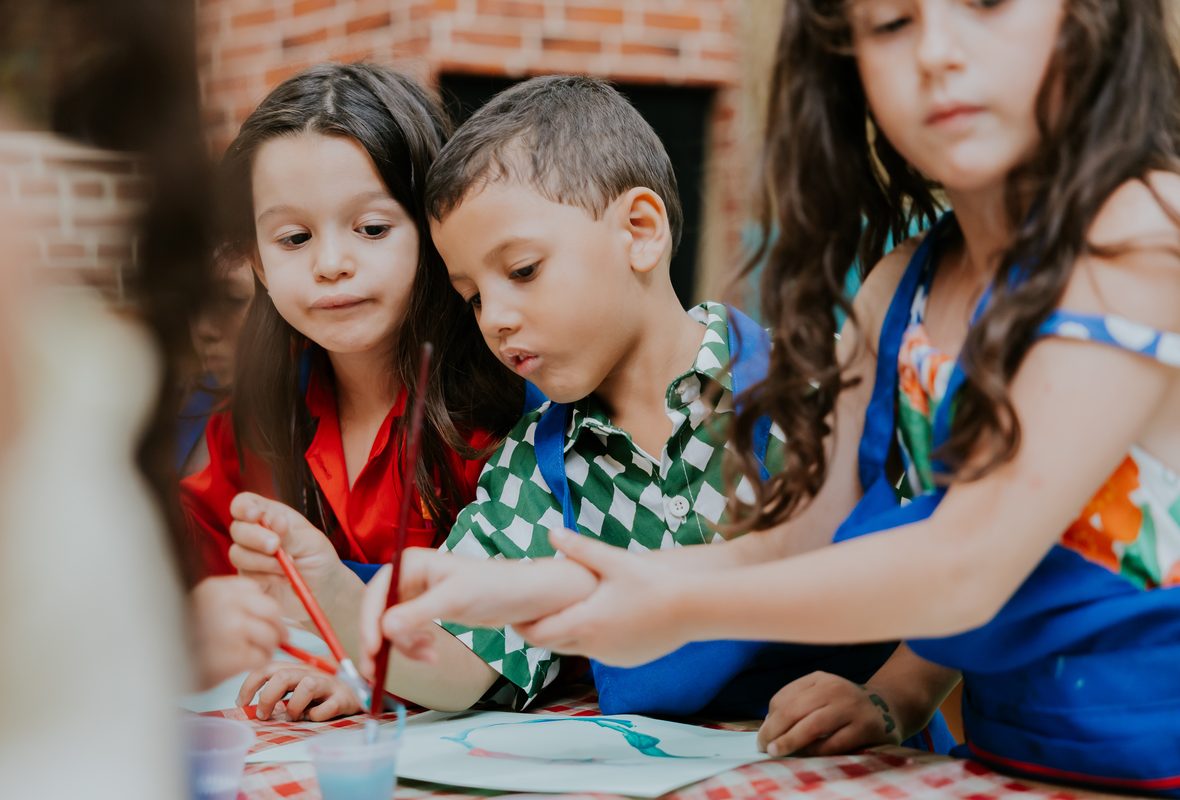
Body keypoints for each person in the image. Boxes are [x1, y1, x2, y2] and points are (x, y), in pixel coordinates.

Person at [365, 0, 1180, 789]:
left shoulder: (1144, 234)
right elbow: (795, 536)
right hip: (1015, 769)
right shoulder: (901, 288)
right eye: (891, 22)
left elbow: (965, 563)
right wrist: (551, 589)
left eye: (988, 4)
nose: (935, 52)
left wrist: (671, 603)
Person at [263, 73, 955, 749]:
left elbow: (956, 543)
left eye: (524, 270)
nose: (496, 318)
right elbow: (460, 665)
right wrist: (338, 598)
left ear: (641, 230)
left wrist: (896, 694)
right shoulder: (533, 468)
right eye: (473, 296)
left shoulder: (816, 385)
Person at [185, 61, 523, 719]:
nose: (331, 263)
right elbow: (190, 575)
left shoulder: (505, 409)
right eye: (293, 237)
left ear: (433, 230)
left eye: (371, 228)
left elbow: (503, 644)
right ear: (256, 257)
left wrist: (370, 678)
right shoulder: (255, 425)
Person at [176, 250, 255, 478]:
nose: (204, 328)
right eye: (193, 303)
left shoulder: (321, 412)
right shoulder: (191, 402)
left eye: (233, 299)